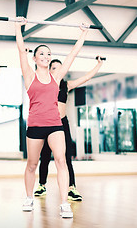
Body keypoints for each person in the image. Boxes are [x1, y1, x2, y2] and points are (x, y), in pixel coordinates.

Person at [15, 16, 89, 218]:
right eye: (42, 54)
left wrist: (83, 33)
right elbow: (22, 51)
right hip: (35, 126)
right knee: (32, 164)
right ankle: (29, 197)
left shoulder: (56, 77)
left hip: (55, 125)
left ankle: (64, 203)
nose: (46, 57)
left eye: (48, 54)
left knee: (61, 160)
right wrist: (18, 28)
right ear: (35, 58)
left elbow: (72, 55)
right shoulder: (30, 76)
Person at [34, 57, 103, 201]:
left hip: (62, 124)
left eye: (60, 68)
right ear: (49, 70)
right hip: (47, 123)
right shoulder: (44, 84)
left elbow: (86, 77)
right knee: (45, 156)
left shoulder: (66, 85)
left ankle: (71, 188)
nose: (57, 71)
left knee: (66, 158)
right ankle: (42, 185)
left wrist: (99, 64)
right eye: (54, 68)